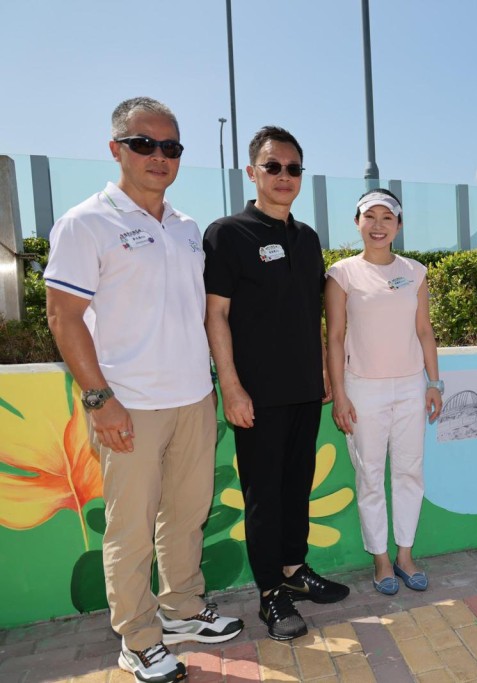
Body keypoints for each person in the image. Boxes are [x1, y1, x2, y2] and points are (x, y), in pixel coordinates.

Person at [45, 97, 242, 683]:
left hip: (192, 399)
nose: (159, 156)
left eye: (171, 147)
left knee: (186, 514)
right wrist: (99, 399)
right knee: (130, 530)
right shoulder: (87, 222)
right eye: (144, 144)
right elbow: (63, 316)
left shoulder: (184, 229)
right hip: (127, 404)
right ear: (116, 149)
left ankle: (182, 609)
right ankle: (137, 637)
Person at [204, 126, 348, 642]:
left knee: (295, 489)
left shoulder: (308, 239)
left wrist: (324, 375)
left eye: (293, 168)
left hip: (306, 389)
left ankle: (295, 570)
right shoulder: (227, 234)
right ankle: (270, 592)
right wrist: (232, 388)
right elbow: (215, 316)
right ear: (252, 172)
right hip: (257, 396)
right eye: (273, 166)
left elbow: (312, 316)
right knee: (263, 496)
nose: (284, 176)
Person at [324, 188, 442, 595]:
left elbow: (424, 330)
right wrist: (340, 394)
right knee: (370, 476)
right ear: (357, 223)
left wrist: (434, 382)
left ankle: (405, 556)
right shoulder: (341, 274)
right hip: (362, 390)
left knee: (410, 472)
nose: (378, 226)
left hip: (411, 386)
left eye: (386, 218)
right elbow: (335, 337)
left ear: (399, 225)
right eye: (369, 217)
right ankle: (380, 562)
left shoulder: (415, 271)